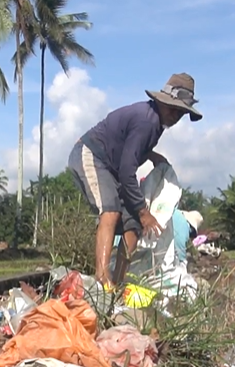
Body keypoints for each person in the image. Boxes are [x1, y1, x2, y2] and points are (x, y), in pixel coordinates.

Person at [68, 73, 203, 290]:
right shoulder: (146, 121)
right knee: (111, 211)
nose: (175, 115)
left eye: (180, 113)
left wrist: (151, 154)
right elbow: (126, 172)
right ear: (161, 102)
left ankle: (119, 282)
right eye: (172, 109)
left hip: (111, 168)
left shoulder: (155, 125)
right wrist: (144, 212)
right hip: (91, 155)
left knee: (133, 225)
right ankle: (102, 278)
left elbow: (131, 146)